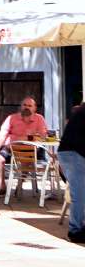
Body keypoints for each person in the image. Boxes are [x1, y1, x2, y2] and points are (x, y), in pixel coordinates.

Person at [0, 96, 48, 196]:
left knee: (26, 160)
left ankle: (19, 186)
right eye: (24, 105)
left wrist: (23, 138)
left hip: (30, 149)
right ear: (21, 107)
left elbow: (43, 136)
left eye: (30, 106)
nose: (27, 107)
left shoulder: (39, 119)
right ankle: (2, 187)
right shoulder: (12, 118)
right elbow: (2, 133)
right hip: (10, 148)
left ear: (34, 108)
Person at [58, 103, 84, 243]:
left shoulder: (81, 110)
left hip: (71, 153)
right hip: (74, 154)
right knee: (79, 195)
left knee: (79, 193)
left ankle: (79, 226)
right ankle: (75, 231)